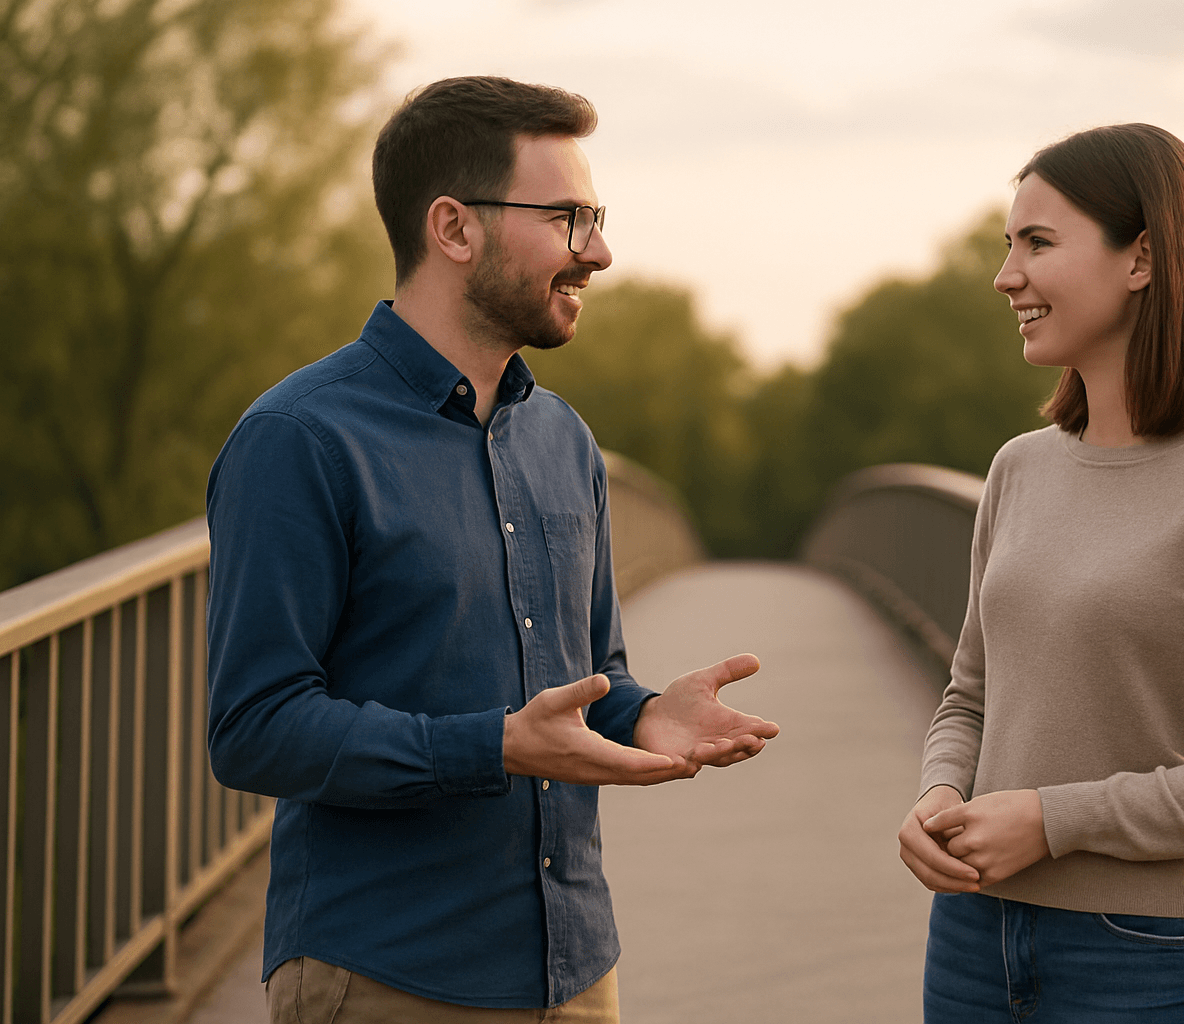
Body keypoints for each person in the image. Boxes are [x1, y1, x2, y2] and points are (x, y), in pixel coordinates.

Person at [205, 76, 779, 1023]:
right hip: (388, 977)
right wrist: (492, 747)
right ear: (454, 228)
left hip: (579, 970)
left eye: (594, 218)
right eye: (567, 218)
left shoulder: (565, 441)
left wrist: (642, 716)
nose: (598, 251)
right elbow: (254, 726)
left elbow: (591, 677)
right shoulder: (300, 439)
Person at [897, 123, 1184, 1023]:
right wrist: (939, 792)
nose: (1005, 274)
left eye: (1038, 243)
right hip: (975, 939)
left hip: (1152, 962)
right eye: (1007, 244)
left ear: (1142, 258)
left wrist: (1055, 820)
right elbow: (971, 695)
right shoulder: (1020, 466)